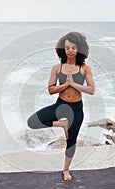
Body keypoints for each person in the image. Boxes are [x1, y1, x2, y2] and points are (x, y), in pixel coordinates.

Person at [27, 32, 95, 181]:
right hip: (61, 106)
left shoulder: (84, 68)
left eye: (73, 47)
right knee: (32, 122)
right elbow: (51, 89)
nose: (70, 50)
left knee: (71, 142)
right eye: (67, 47)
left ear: (79, 49)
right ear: (62, 49)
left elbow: (91, 90)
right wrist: (65, 85)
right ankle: (62, 123)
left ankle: (65, 170)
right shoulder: (57, 68)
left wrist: (74, 84)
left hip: (77, 108)